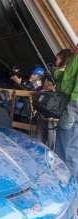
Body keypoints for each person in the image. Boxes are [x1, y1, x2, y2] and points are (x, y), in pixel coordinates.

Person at [37, 50, 74, 150]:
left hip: (53, 113)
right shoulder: (56, 71)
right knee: (40, 140)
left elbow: (60, 91)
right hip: (44, 111)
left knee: (51, 142)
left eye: (57, 58)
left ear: (63, 58)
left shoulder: (65, 73)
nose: (56, 61)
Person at [55, 45, 78, 180]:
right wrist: (56, 73)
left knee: (67, 148)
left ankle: (66, 184)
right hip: (72, 104)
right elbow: (66, 77)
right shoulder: (75, 59)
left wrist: (71, 108)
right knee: (72, 146)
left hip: (73, 106)